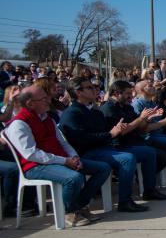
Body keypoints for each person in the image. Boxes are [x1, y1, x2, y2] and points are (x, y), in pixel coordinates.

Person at [4, 86, 112, 226]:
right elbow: (31, 154)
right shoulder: (19, 124)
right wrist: (65, 161)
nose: (49, 101)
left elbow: (62, 142)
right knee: (73, 178)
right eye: (44, 99)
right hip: (35, 166)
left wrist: (74, 157)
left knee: (103, 168)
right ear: (30, 104)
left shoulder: (48, 119)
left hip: (59, 160)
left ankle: (79, 205)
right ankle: (70, 211)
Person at [59, 76, 165, 213]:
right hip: (88, 152)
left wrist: (114, 132)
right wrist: (111, 134)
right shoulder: (72, 113)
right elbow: (82, 139)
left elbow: (108, 132)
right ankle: (124, 201)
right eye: (90, 87)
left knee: (149, 152)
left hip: (105, 147)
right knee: (127, 158)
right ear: (78, 92)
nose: (95, 90)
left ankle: (149, 190)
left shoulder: (93, 111)